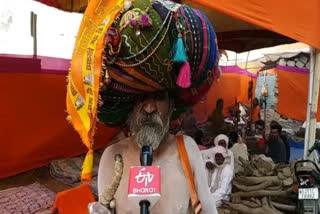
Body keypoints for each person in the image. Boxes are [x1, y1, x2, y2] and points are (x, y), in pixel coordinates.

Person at [66, 0, 221, 213]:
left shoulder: (186, 150)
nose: (149, 109)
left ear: (171, 103)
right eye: (140, 99)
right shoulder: (113, 157)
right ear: (130, 105)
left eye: (158, 97)